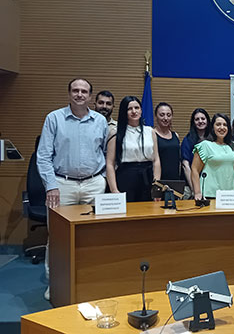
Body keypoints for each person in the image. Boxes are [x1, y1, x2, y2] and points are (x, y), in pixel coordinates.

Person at [37, 78, 108, 301]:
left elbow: (108, 153)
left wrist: (103, 179)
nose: (79, 94)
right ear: (69, 94)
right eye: (75, 90)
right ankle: (56, 284)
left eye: (84, 91)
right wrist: (51, 186)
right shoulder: (54, 118)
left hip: (93, 185)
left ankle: (88, 282)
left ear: (90, 96)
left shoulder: (100, 121)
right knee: (58, 238)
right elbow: (43, 156)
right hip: (62, 185)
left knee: (92, 237)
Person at [106, 96, 161, 201]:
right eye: (129, 109)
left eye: (137, 108)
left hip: (147, 177)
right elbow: (110, 164)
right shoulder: (116, 133)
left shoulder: (150, 131)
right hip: (126, 177)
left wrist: (157, 185)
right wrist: (114, 189)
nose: (134, 111)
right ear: (124, 112)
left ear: (141, 110)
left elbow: (156, 160)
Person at [191, 114, 234, 199]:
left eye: (225, 125)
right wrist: (197, 192)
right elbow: (195, 170)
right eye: (218, 124)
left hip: (231, 195)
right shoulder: (205, 145)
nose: (222, 127)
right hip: (210, 194)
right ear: (213, 127)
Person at [181, 108, 211, 198]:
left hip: (210, 185)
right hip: (191, 186)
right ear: (193, 122)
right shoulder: (187, 140)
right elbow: (185, 165)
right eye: (197, 119)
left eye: (203, 119)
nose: (200, 121)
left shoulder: (213, 139)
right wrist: (194, 189)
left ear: (207, 121)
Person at [153, 102, 181, 180]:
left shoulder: (176, 135)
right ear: (156, 116)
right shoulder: (152, 135)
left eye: (168, 115)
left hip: (175, 180)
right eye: (162, 115)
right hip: (158, 180)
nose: (165, 118)